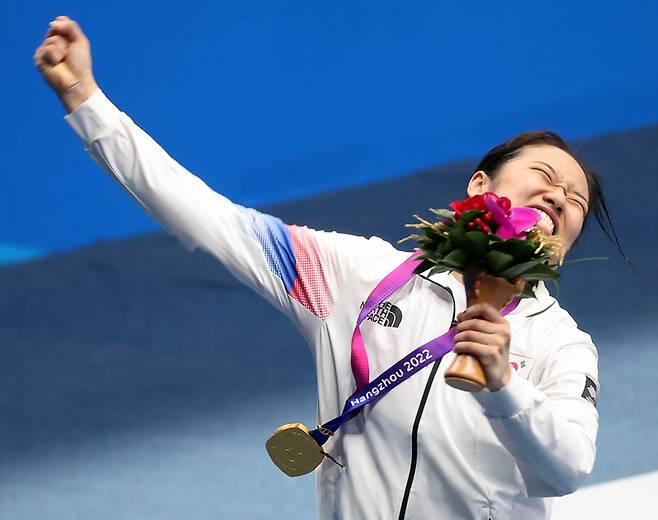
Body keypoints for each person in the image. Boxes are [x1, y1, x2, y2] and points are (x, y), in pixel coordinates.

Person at [35, 16, 604, 520]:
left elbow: (567, 469)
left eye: (575, 200)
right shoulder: (353, 276)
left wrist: (504, 385)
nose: (558, 197)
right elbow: (208, 216)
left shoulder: (561, 345)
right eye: (545, 177)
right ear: (480, 185)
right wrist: (86, 101)